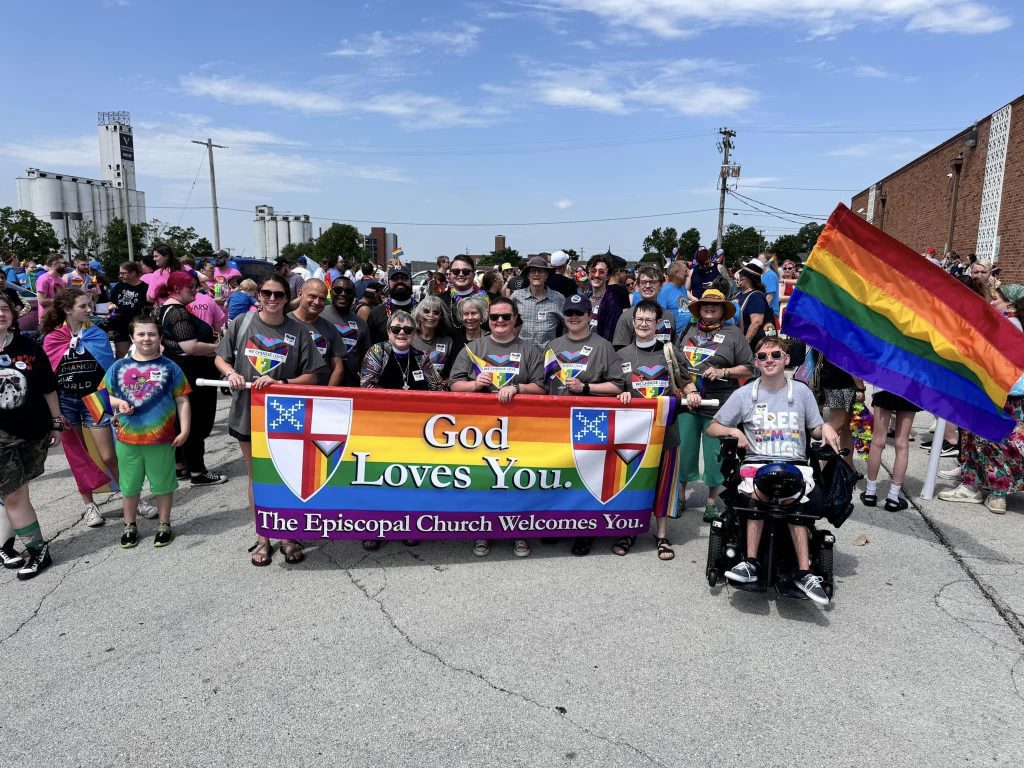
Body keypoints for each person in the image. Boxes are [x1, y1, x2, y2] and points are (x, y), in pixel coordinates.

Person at [706, 337, 841, 605]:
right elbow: (713, 427)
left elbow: (814, 427)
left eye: (775, 355)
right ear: (756, 362)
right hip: (757, 462)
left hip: (795, 464)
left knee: (795, 500)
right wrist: (733, 430)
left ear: (786, 359)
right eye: (763, 356)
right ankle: (751, 562)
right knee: (758, 494)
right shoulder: (744, 394)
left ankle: (803, 572)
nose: (769, 360)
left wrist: (825, 427)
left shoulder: (801, 392)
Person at [216, 275, 325, 567]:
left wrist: (282, 381)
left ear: (288, 297)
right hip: (246, 412)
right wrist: (230, 373)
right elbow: (220, 358)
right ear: (258, 295)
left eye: (279, 294)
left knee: (284, 476)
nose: (273, 299)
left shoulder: (299, 331)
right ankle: (264, 535)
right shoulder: (241, 324)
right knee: (258, 476)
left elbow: (311, 376)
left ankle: (288, 534)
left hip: (285, 415)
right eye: (267, 293)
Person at [41, 289, 149, 525]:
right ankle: (90, 506)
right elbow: (46, 377)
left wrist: (118, 398)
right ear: (68, 310)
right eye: (83, 306)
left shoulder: (97, 334)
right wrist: (52, 414)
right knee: (78, 456)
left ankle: (133, 499)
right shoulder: (52, 339)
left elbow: (108, 370)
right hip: (66, 402)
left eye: (89, 305)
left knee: (110, 455)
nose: (89, 309)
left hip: (95, 398)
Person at [450, 297, 545, 559]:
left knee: (517, 480)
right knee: (484, 480)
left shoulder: (530, 350)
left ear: (515, 319)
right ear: (487, 320)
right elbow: (454, 384)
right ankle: (483, 529)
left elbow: (542, 387)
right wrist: (474, 385)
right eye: (494, 317)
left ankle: (519, 530)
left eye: (505, 317)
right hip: (481, 432)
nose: (500, 321)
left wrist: (517, 388)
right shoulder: (473, 348)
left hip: (519, 430)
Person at [544, 293, 627, 557]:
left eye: (579, 313)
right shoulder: (553, 345)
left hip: (590, 421)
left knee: (585, 476)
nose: (574, 317)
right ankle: (557, 525)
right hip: (556, 420)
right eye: (569, 313)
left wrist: (586, 388)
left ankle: (585, 529)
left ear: (589, 317)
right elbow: (541, 384)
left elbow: (618, 385)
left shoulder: (603, 346)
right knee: (558, 475)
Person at [102, 315, 192, 548]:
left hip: (161, 439)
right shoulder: (118, 367)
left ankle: (164, 524)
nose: (146, 338)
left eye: (152, 334)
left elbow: (182, 400)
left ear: (160, 337)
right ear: (132, 337)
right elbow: (102, 396)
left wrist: (184, 429)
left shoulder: (170, 367)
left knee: (163, 484)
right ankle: (129, 525)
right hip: (127, 439)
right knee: (129, 486)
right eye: (141, 334)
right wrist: (118, 404)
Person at [0, 292, 64, 579]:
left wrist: (56, 422)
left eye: (4, 309)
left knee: (17, 493)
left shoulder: (29, 347)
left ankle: (4, 543)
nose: (0, 313)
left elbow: (48, 386)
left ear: (13, 315)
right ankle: (39, 551)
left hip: (34, 432)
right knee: (14, 496)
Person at [676, 289, 754, 522]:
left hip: (719, 405)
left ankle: (711, 502)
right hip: (688, 402)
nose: (709, 308)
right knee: (684, 451)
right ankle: (679, 497)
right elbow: (676, 363)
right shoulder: (688, 330)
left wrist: (724, 371)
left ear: (723, 310)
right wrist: (686, 386)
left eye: (715, 305)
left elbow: (750, 367)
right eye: (705, 304)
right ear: (698, 308)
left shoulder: (733, 334)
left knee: (715, 455)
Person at [614, 299, 683, 559]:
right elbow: (615, 388)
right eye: (639, 320)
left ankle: (662, 535)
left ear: (657, 324)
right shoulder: (621, 355)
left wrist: (693, 392)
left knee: (663, 485)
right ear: (633, 323)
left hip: (666, 432)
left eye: (649, 321)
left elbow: (686, 382)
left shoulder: (670, 351)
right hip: (633, 434)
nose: (644, 324)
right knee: (633, 483)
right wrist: (620, 395)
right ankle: (629, 529)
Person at [156, 272, 226, 486]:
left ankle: (182, 465)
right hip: (192, 374)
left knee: (182, 421)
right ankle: (198, 471)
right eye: (191, 287)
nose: (196, 290)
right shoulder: (177, 312)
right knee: (197, 423)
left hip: (183, 371)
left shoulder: (166, 310)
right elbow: (189, 346)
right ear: (177, 289)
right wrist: (219, 347)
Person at [862, 389, 921, 511]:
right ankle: (893, 498)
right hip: (910, 386)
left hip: (885, 384)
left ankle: (870, 493)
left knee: (877, 440)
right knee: (902, 443)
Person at [289, 278, 345, 386]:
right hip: (287, 395)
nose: (317, 302)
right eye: (312, 296)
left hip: (319, 396)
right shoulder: (284, 321)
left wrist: (327, 395)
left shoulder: (329, 328)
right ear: (300, 294)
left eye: (322, 299)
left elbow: (338, 368)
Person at [320, 276, 370, 388]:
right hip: (321, 386)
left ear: (354, 295)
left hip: (351, 387)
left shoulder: (361, 323)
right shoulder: (318, 315)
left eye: (348, 291)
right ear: (331, 292)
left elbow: (365, 359)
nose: (343, 294)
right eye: (338, 290)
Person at [817, 356, 866, 468]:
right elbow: (850, 360)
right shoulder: (848, 337)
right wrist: (860, 387)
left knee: (846, 427)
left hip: (836, 378)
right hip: (841, 381)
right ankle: (825, 467)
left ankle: (848, 467)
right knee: (837, 424)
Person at [511, 255, 565, 349]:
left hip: (547, 357)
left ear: (547, 275)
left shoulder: (558, 298)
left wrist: (561, 346)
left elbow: (568, 325)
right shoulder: (516, 296)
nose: (536, 274)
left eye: (540, 271)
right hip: (521, 355)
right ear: (528, 275)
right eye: (532, 271)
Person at [614, 265, 674, 349]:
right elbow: (620, 351)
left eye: (652, 282)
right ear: (638, 286)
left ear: (660, 285)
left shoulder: (669, 316)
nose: (648, 286)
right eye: (643, 282)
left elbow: (673, 346)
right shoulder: (626, 317)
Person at [108, 261, 150, 358]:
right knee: (121, 354)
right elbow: (110, 302)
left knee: (140, 354)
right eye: (120, 273)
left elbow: (150, 306)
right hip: (120, 325)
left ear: (134, 273)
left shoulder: (144, 288)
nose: (121, 276)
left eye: (123, 273)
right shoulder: (119, 286)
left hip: (138, 325)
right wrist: (111, 307)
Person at [411, 296, 456, 382]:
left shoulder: (447, 342)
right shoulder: (409, 337)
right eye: (426, 311)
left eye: (436, 312)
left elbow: (452, 373)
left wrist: (445, 383)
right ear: (419, 315)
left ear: (440, 317)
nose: (431, 315)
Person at [586, 254, 629, 343]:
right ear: (588, 274)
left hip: (602, 351)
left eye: (601, 272)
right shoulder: (585, 300)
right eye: (593, 271)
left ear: (608, 276)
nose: (597, 275)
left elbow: (611, 334)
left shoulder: (612, 302)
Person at [368, 267, 417, 344]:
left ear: (411, 282)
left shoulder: (423, 311)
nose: (400, 281)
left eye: (404, 278)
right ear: (388, 283)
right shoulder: (376, 313)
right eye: (395, 279)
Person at [735, 259, 774, 350]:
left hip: (752, 346)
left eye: (743, 275)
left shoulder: (756, 296)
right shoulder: (737, 295)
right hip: (736, 341)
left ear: (751, 278)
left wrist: (744, 345)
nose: (739, 276)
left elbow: (756, 322)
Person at [35, 253, 66, 324]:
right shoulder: (43, 279)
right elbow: (42, 300)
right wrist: (61, 301)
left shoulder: (61, 280)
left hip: (60, 317)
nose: (65, 265)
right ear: (55, 264)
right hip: (47, 319)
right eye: (63, 263)